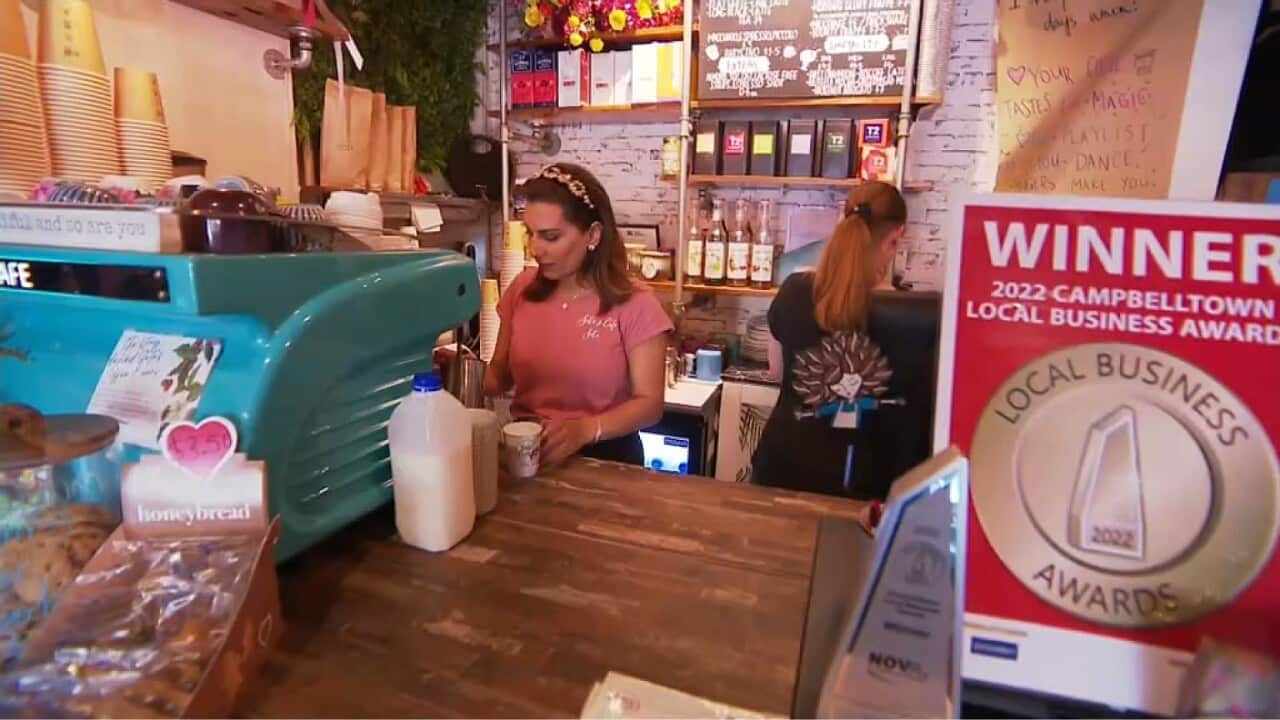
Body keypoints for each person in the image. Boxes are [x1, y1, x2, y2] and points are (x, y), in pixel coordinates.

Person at [485, 163, 673, 467]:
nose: (535, 249)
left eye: (551, 236)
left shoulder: (636, 303)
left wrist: (585, 429)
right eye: (531, 234)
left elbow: (650, 405)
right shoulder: (522, 289)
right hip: (527, 456)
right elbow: (498, 377)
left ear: (593, 235)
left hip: (608, 461)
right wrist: (448, 370)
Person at [751, 181, 910, 498]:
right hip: (855, 484)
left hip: (780, 468)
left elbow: (776, 372)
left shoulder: (794, 289)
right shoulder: (906, 313)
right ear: (896, 238)